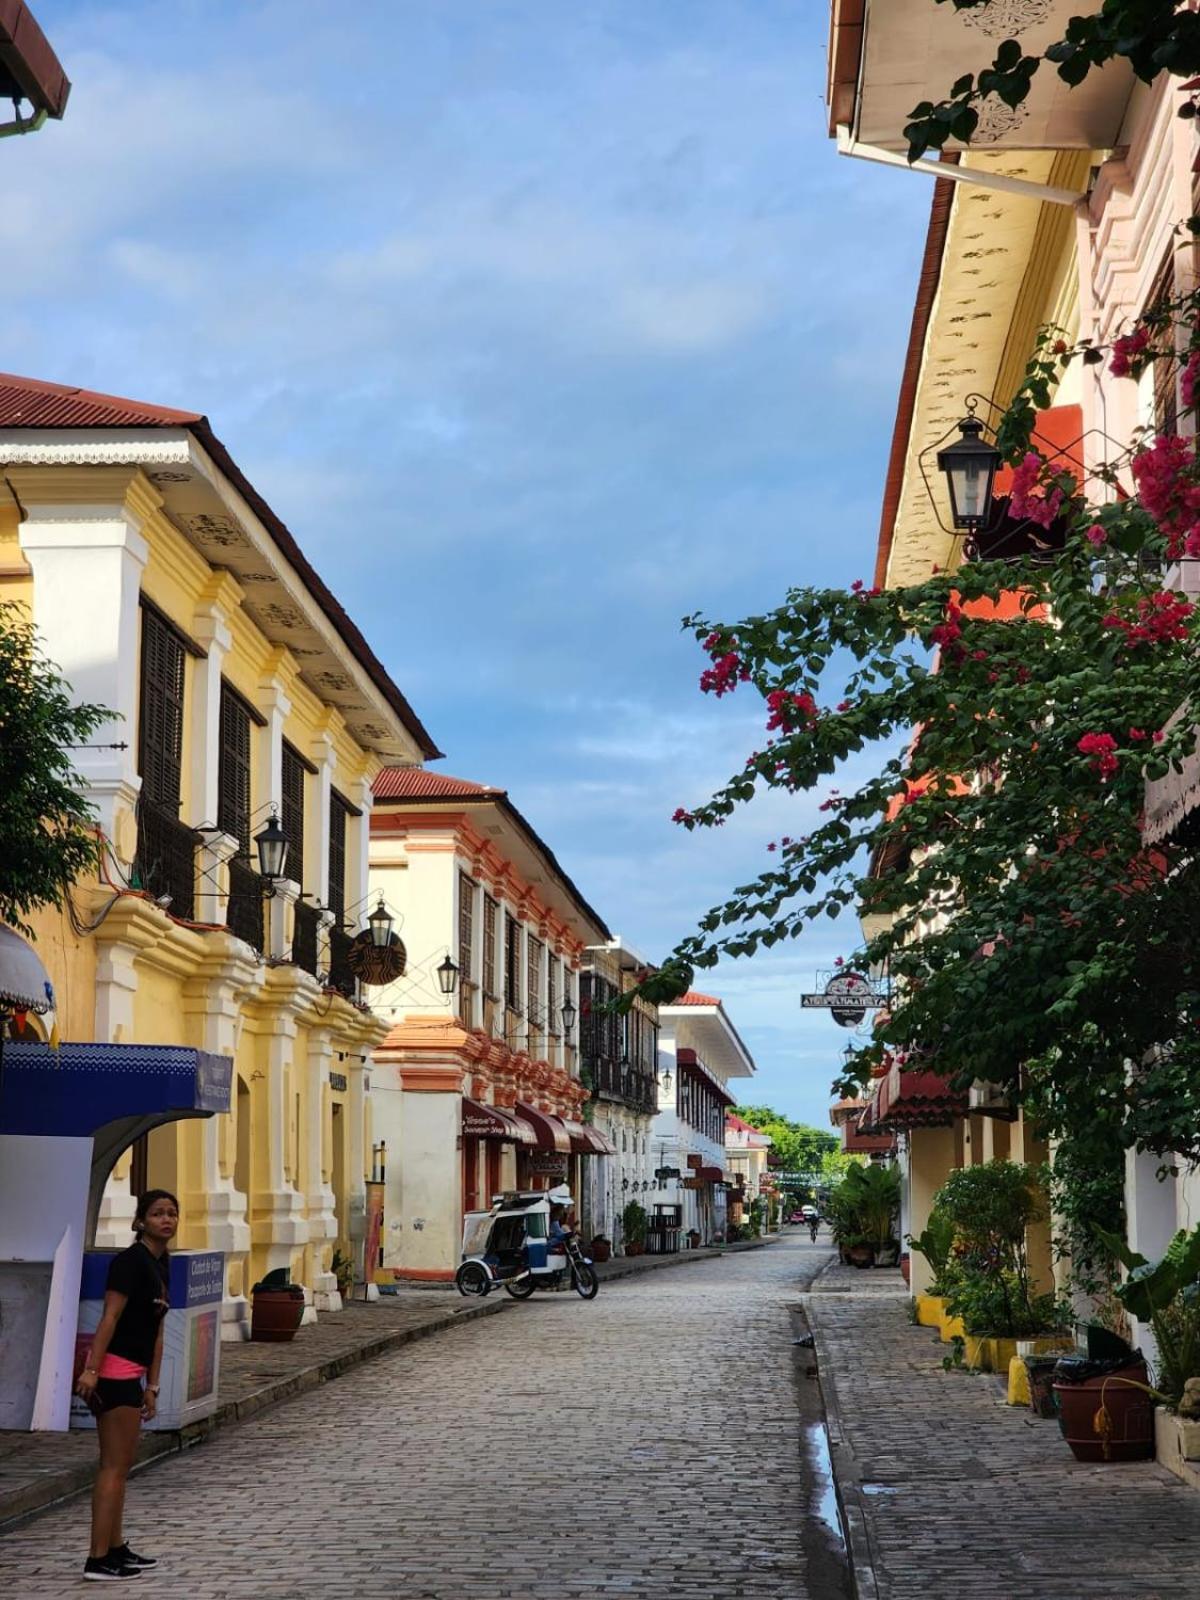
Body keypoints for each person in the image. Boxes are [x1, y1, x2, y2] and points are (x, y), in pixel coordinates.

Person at [75, 1189, 177, 1582]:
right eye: (157, 1214)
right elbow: (109, 1318)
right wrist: (91, 1369)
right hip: (113, 1372)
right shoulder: (128, 1263)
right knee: (113, 1467)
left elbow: (157, 1331)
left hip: (133, 1373)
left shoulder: (160, 1263)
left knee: (122, 1467)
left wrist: (151, 1385)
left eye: (172, 1213)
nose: (166, 1220)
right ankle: (97, 1558)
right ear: (140, 1222)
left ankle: (115, 1548)